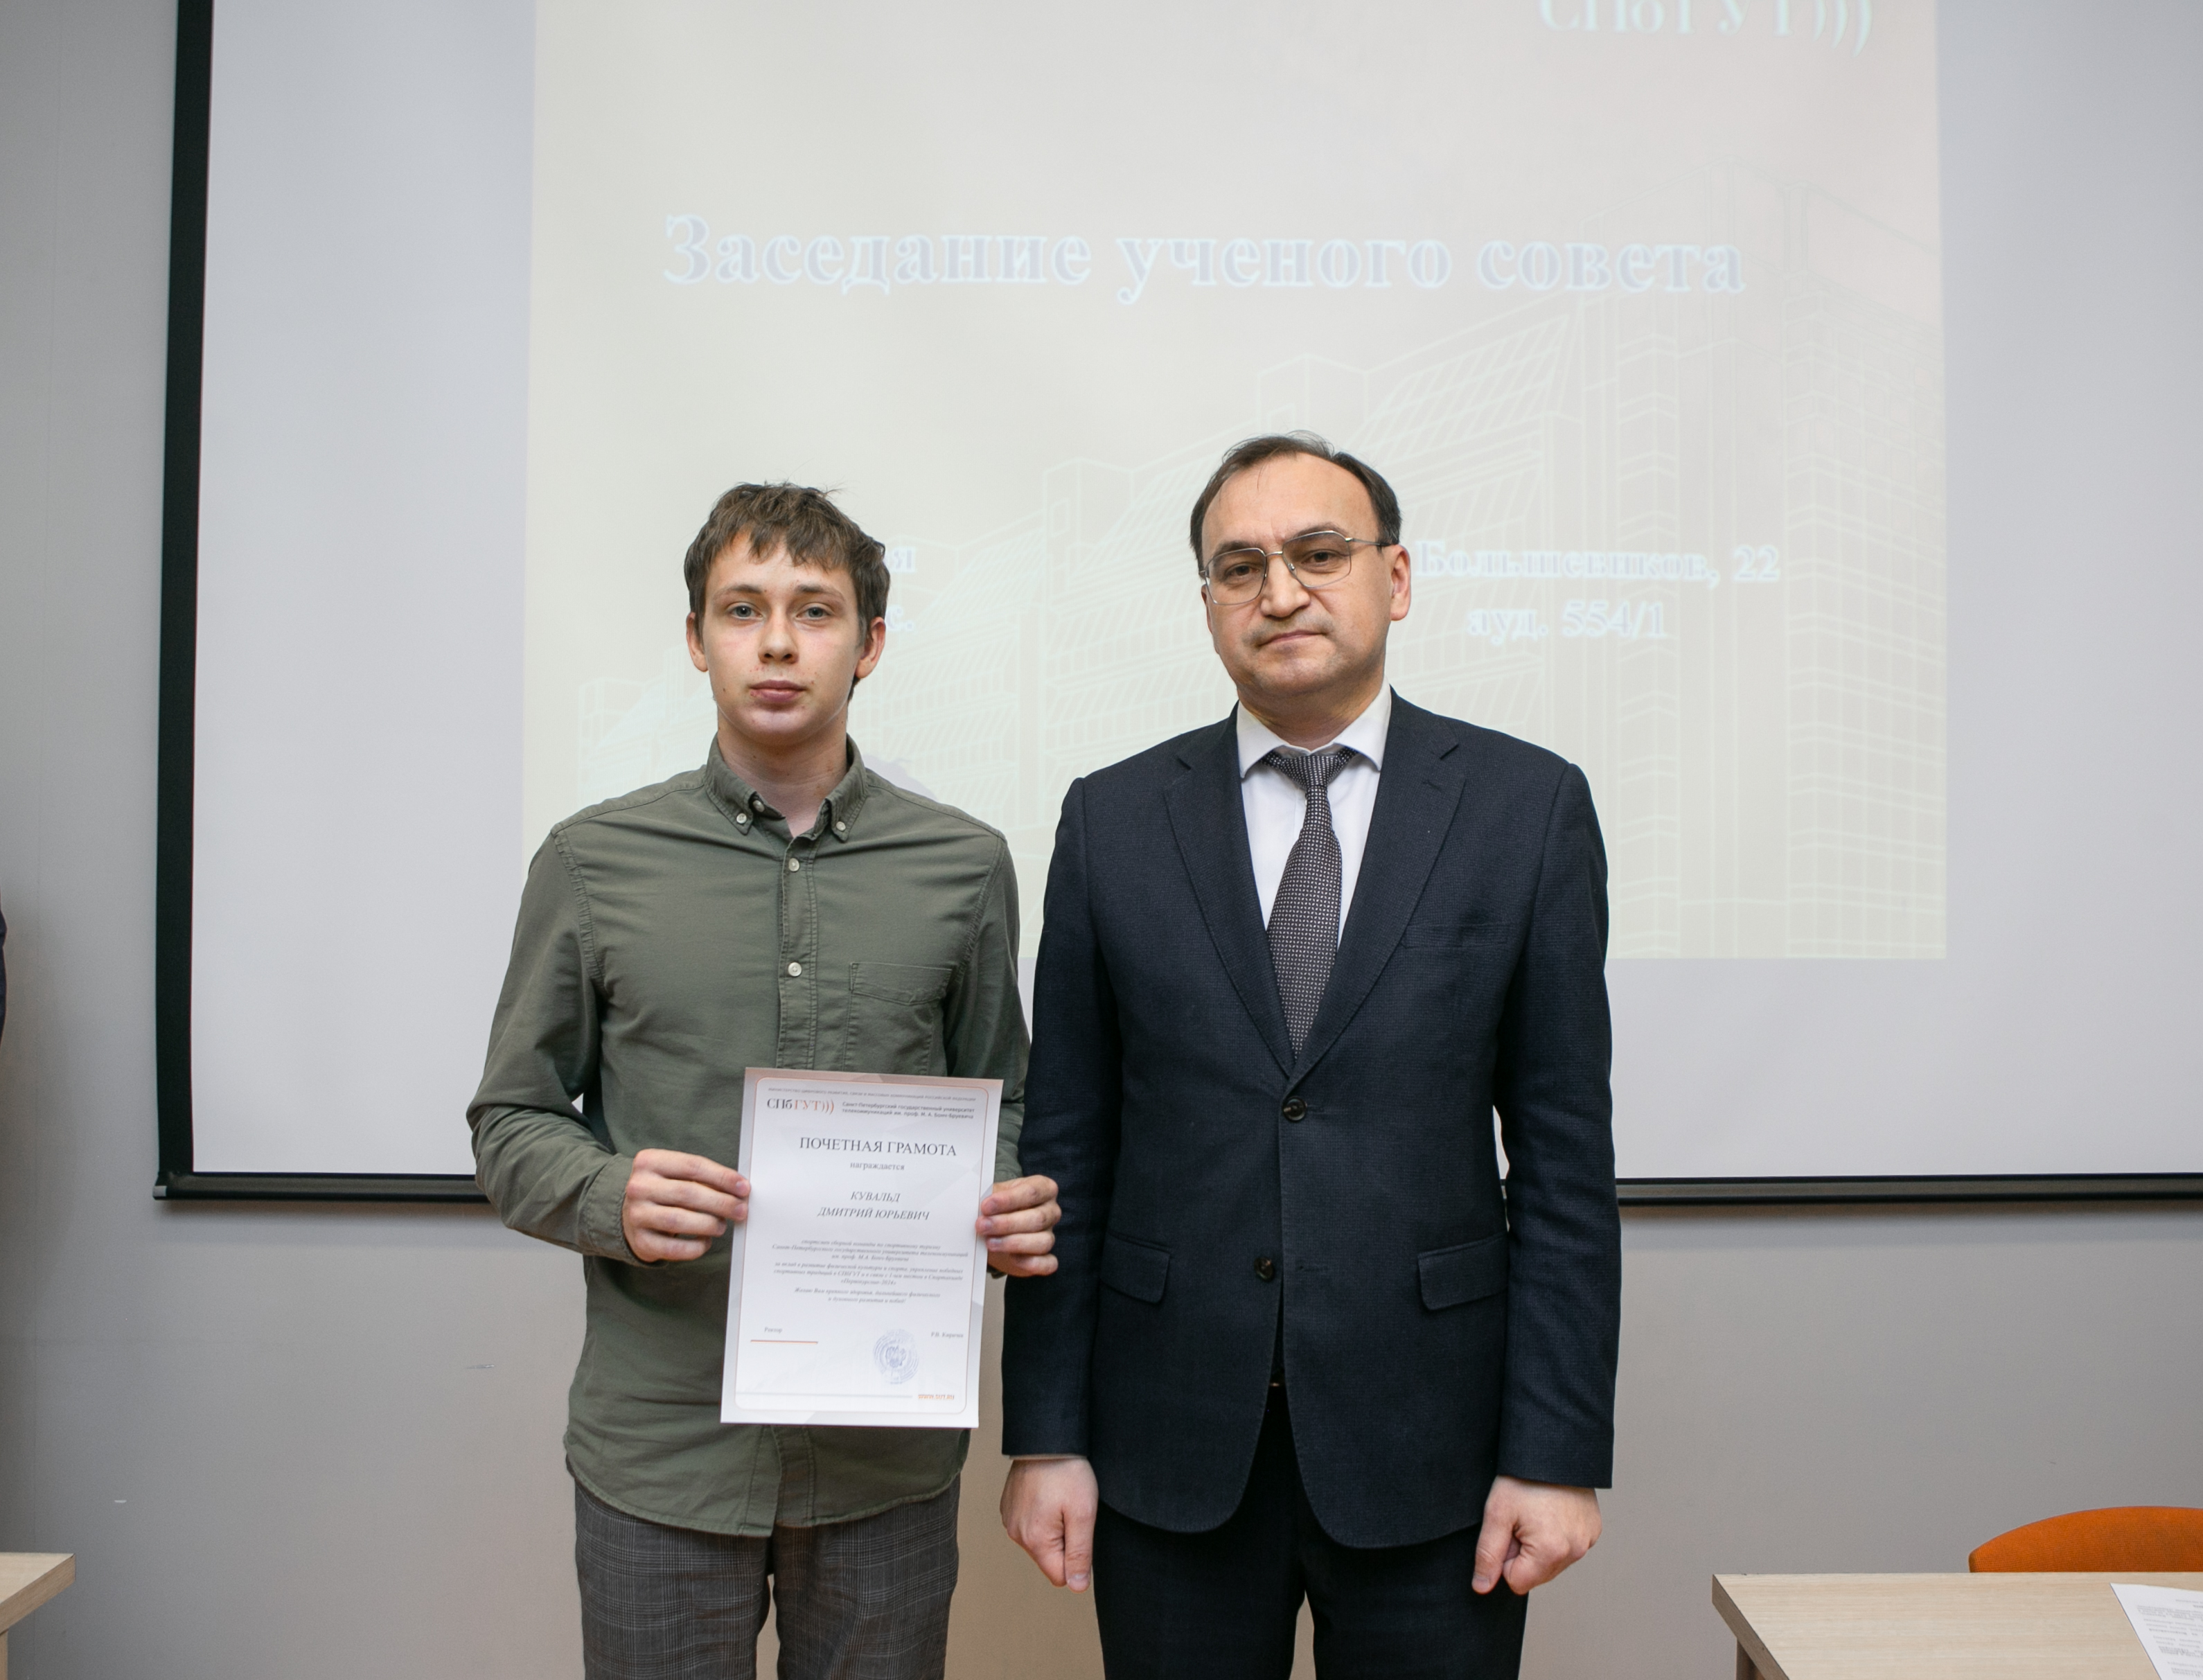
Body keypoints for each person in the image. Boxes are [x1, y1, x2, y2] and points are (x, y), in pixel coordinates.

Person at [998, 435, 1620, 1679]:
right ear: (1208, 604)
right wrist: (1046, 1432)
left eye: (1318, 554)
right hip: (1168, 1441)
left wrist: (1553, 1452)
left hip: (1435, 1449)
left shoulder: (1526, 806)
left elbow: (1563, 1164)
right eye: (1240, 567)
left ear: (1396, 577)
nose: (1278, 591)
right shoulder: (1110, 818)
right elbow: (1069, 1145)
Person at [470, 483, 1061, 1680]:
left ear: (870, 643)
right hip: (662, 1452)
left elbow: (1004, 1096)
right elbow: (511, 1117)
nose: (778, 642)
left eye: (814, 610)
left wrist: (1002, 1195)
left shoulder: (963, 863)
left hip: (883, 1454)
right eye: (742, 609)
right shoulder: (591, 860)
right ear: (697, 639)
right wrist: (609, 1194)